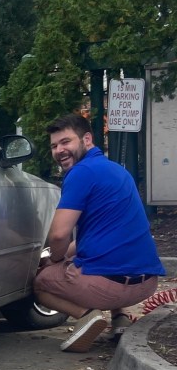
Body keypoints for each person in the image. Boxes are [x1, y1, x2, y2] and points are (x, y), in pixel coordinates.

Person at [34, 113, 165, 353]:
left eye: (65, 142)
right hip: (146, 284)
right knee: (96, 257)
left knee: (42, 282)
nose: (59, 150)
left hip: (108, 289)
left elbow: (59, 235)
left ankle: (87, 316)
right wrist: (66, 256)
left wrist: (53, 260)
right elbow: (93, 238)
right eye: (54, 146)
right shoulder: (117, 170)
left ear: (87, 139)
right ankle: (120, 319)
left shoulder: (80, 173)